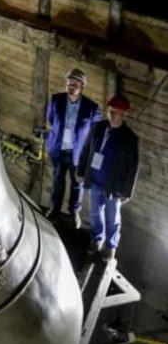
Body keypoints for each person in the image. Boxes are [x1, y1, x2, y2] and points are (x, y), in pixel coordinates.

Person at [77, 94, 139, 260]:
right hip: (95, 181)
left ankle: (111, 246)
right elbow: (85, 149)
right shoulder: (98, 127)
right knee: (95, 214)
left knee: (112, 218)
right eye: (111, 110)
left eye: (117, 111)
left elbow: (133, 167)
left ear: (124, 114)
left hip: (114, 186)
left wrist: (127, 191)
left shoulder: (130, 139)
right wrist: (81, 171)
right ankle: (97, 239)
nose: (112, 114)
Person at [45, 67, 101, 227]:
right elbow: (51, 120)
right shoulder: (56, 100)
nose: (71, 85)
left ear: (82, 86)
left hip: (77, 153)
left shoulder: (91, 108)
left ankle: (74, 212)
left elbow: (94, 133)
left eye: (76, 83)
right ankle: (54, 209)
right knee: (57, 180)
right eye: (69, 82)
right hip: (58, 148)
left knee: (77, 183)